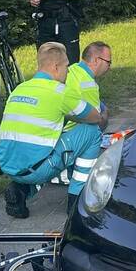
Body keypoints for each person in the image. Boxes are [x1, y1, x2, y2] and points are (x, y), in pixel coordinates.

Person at [0, 42, 106, 219]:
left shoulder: (20, 88)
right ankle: (77, 198)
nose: (68, 71)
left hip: (9, 166)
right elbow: (95, 117)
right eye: (66, 66)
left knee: (46, 144)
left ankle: (20, 190)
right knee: (92, 132)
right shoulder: (60, 91)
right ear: (56, 67)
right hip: (37, 169)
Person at [52, 41, 113, 186]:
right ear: (97, 60)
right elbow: (97, 120)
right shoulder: (89, 85)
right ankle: (73, 173)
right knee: (94, 130)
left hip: (52, 131)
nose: (109, 67)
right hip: (65, 136)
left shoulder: (72, 70)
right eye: (109, 62)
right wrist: (105, 113)